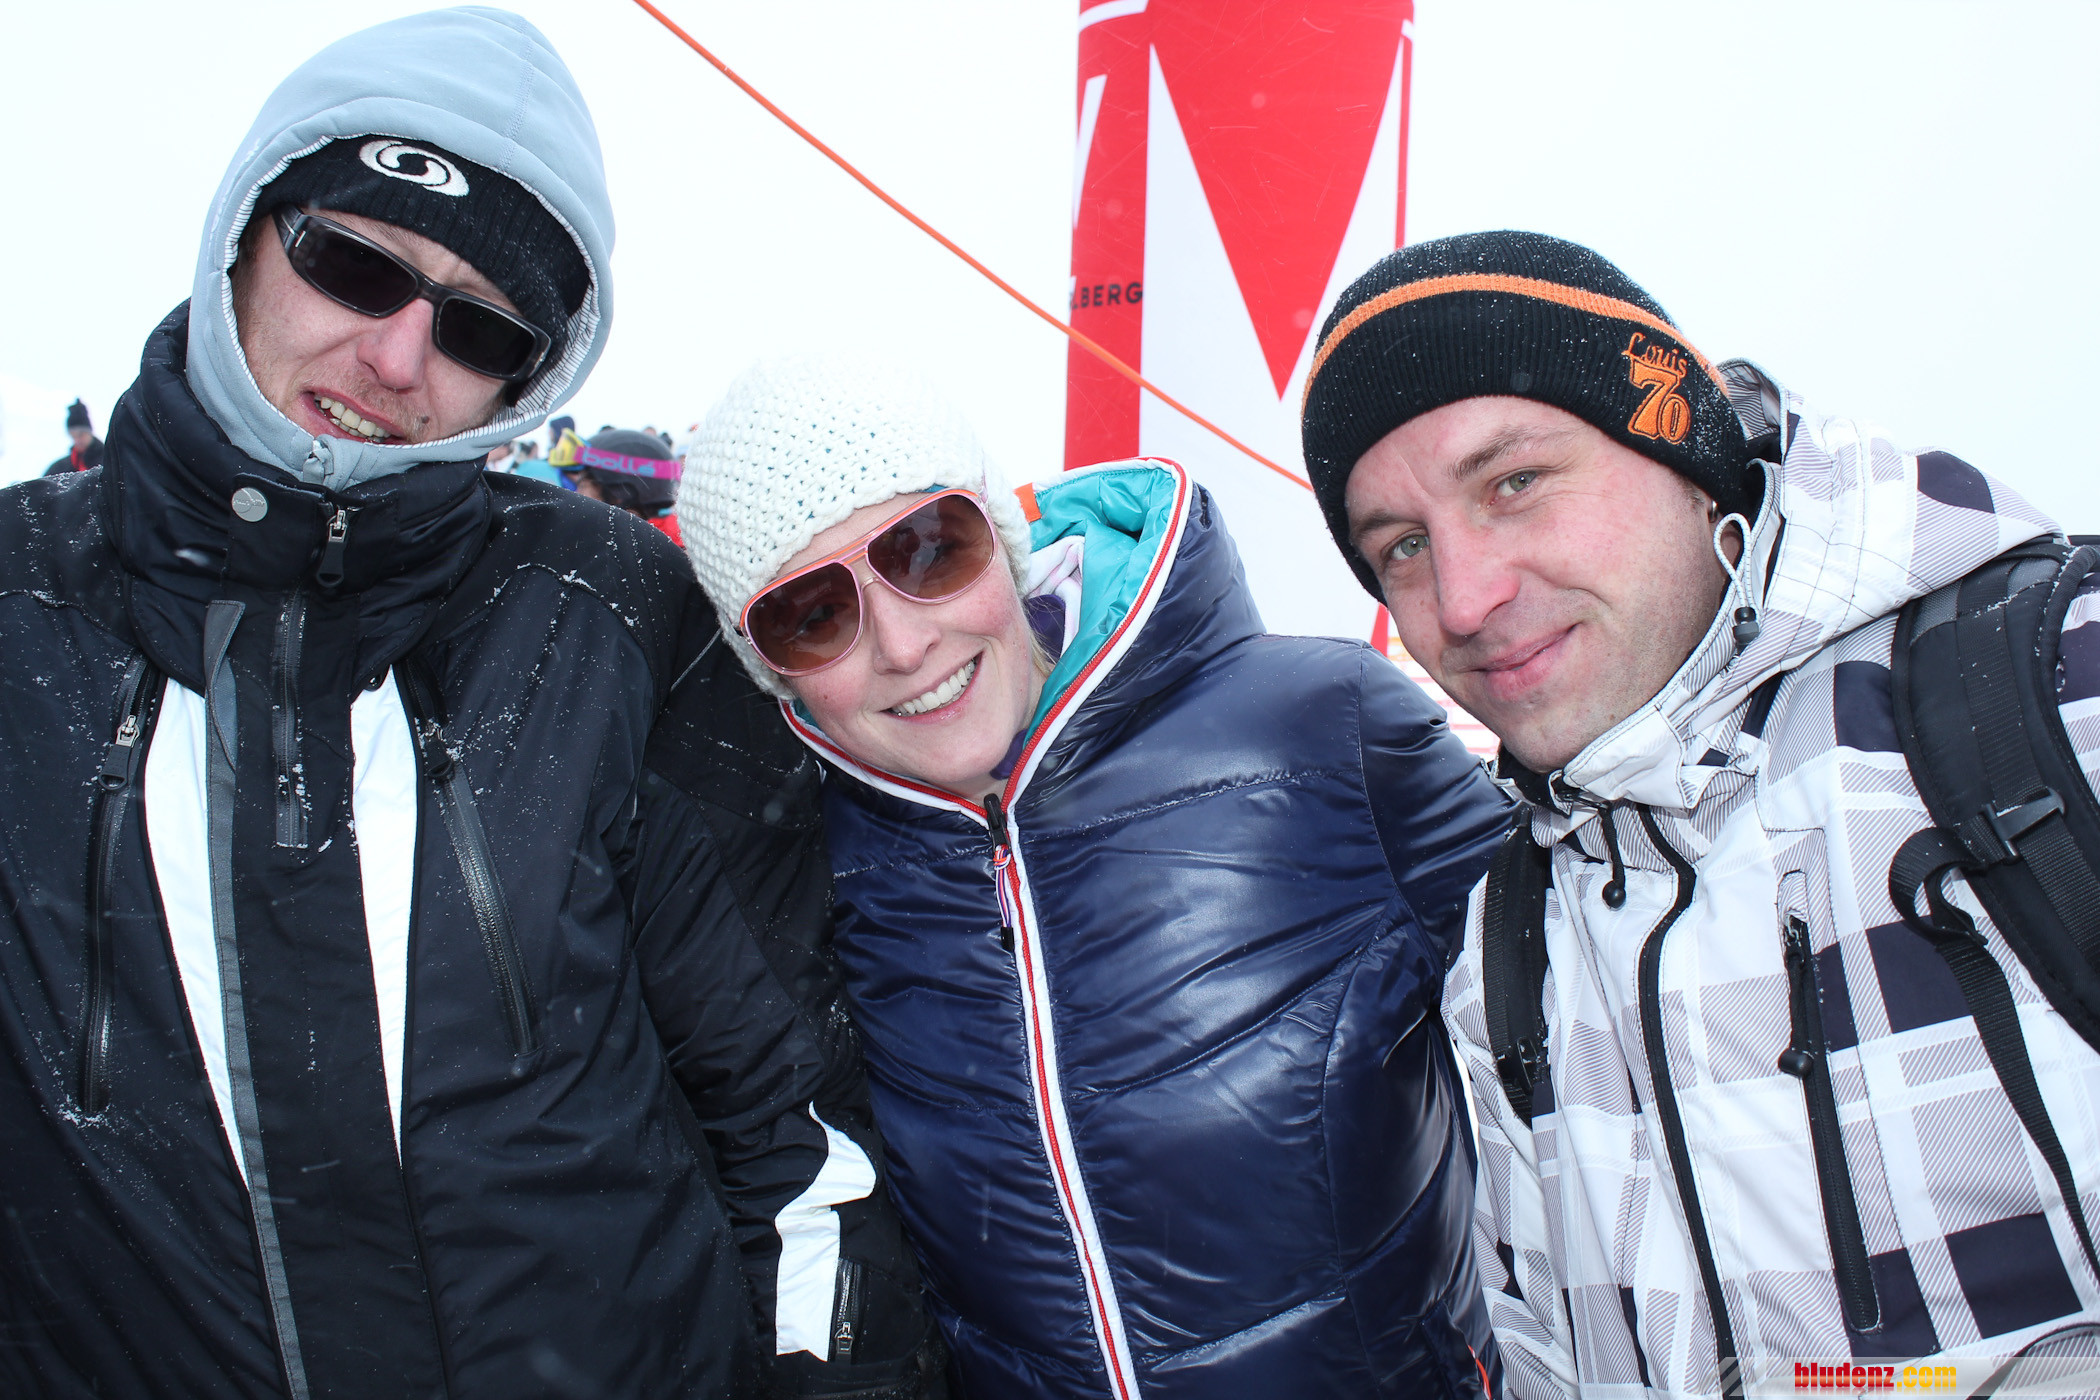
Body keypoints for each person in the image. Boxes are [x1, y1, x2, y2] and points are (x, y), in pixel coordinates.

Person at [0, 12, 939, 1398]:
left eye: (480, 328)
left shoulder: (608, 619)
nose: (396, 358)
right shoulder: (25, 614)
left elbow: (795, 1126)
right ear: (244, 235)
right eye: (352, 262)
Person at [1300, 230, 2100, 1396]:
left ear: (1684, 453)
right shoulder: (1507, 929)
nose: (1464, 599)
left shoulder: (2058, 688)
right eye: (1405, 545)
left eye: (1514, 483)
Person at [678, 355, 1514, 1397]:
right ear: (770, 672)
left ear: (1002, 538)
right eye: (812, 615)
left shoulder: (1323, 728)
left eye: (928, 549)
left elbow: (1595, 1026)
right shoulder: (804, 857)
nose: (902, 642)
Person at [576, 425, 683, 544]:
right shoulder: (649, 543)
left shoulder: (658, 548)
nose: (576, 493)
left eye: (583, 486)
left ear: (620, 494)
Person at [43, 398, 104, 474]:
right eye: (73, 435)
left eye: (81, 434)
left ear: (89, 432)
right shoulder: (59, 468)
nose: (77, 440)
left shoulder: (108, 461)